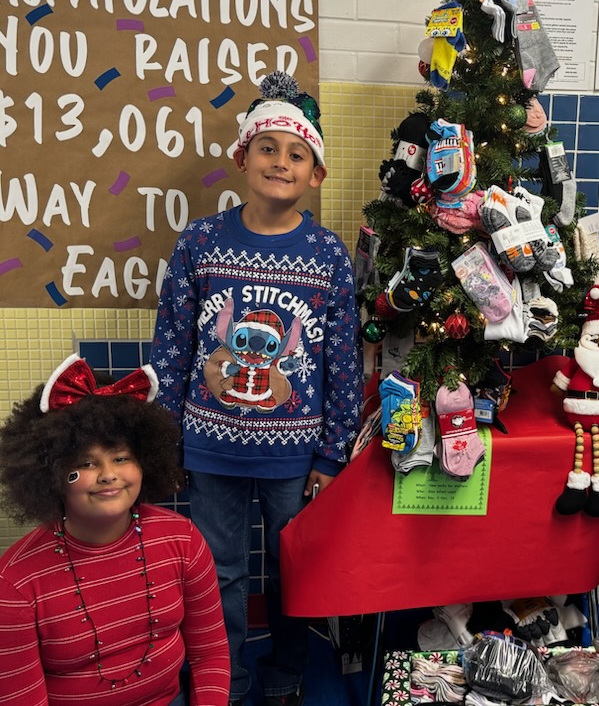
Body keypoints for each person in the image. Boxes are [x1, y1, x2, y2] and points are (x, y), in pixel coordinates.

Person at [150, 71, 362, 706]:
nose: (281, 163)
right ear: (242, 157)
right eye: (268, 148)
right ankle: (226, 683)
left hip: (293, 454)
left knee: (295, 568)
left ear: (315, 174)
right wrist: (165, 441)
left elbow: (342, 363)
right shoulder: (201, 241)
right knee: (220, 573)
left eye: (297, 154)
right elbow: (172, 342)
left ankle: (288, 670)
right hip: (208, 445)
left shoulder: (327, 254)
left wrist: (330, 454)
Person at [0, 354, 230, 706]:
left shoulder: (182, 540)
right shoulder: (15, 583)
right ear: (52, 474)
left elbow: (210, 654)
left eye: (121, 458)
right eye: (85, 463)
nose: (108, 475)